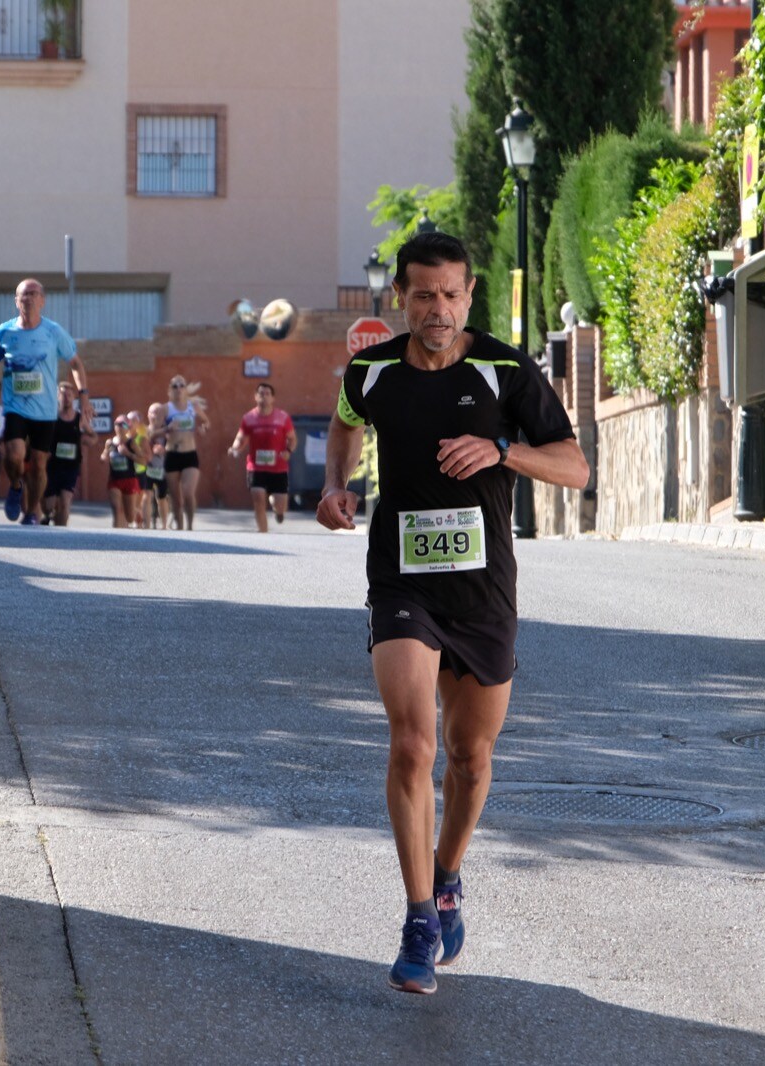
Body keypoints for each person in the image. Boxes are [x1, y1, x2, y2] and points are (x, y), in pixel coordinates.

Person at [316, 232, 588, 995]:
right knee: (412, 745)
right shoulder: (370, 371)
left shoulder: (503, 369)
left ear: (471, 296)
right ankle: (416, 919)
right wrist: (338, 487)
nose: (437, 310)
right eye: (423, 295)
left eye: (451, 295)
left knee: (469, 760)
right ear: (400, 297)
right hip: (403, 585)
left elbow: (573, 464)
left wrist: (502, 450)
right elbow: (343, 424)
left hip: (483, 596)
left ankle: (447, 877)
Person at [0, 278, 88, 525]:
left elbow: (75, 363)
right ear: (16, 301)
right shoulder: (5, 331)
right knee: (13, 455)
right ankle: (15, 484)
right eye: (24, 294)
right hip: (15, 407)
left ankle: (32, 511)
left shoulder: (53, 331)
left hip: (44, 411)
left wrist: (83, 395)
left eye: (34, 294)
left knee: (40, 463)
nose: (29, 298)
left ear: (42, 301)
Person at [228, 382, 296, 533]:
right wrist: (235, 447)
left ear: (272, 398)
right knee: (258, 497)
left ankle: (278, 510)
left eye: (267, 394)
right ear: (256, 397)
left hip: (278, 468)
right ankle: (263, 534)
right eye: (261, 393)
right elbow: (241, 437)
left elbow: (292, 439)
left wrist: (288, 451)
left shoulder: (283, 417)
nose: (264, 397)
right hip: (256, 466)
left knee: (281, 505)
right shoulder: (249, 418)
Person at [149, 376, 209, 530]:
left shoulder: (193, 407)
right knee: (176, 498)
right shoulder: (165, 409)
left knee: (188, 492)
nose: (178, 388)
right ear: (170, 390)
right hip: (172, 455)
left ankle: (189, 527)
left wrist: (203, 428)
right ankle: (180, 530)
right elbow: (152, 433)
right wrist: (166, 429)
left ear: (185, 389)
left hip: (189, 453)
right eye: (175, 386)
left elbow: (206, 422)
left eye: (181, 385)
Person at [43, 383, 96, 526]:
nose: (66, 398)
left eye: (69, 395)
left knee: (65, 502)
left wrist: (85, 440)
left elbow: (94, 437)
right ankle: (47, 517)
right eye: (63, 395)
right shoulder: (51, 417)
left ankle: (62, 535)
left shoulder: (80, 419)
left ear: (74, 398)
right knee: (49, 505)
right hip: (52, 466)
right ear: (58, 397)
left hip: (71, 467)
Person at [101, 416, 144, 528]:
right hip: (114, 480)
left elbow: (143, 460)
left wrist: (128, 454)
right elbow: (103, 458)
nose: (120, 427)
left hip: (129, 480)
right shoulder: (110, 443)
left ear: (128, 428)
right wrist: (105, 455)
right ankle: (115, 537)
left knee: (129, 517)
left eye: (123, 425)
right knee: (116, 509)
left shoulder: (131, 443)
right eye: (117, 424)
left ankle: (137, 512)